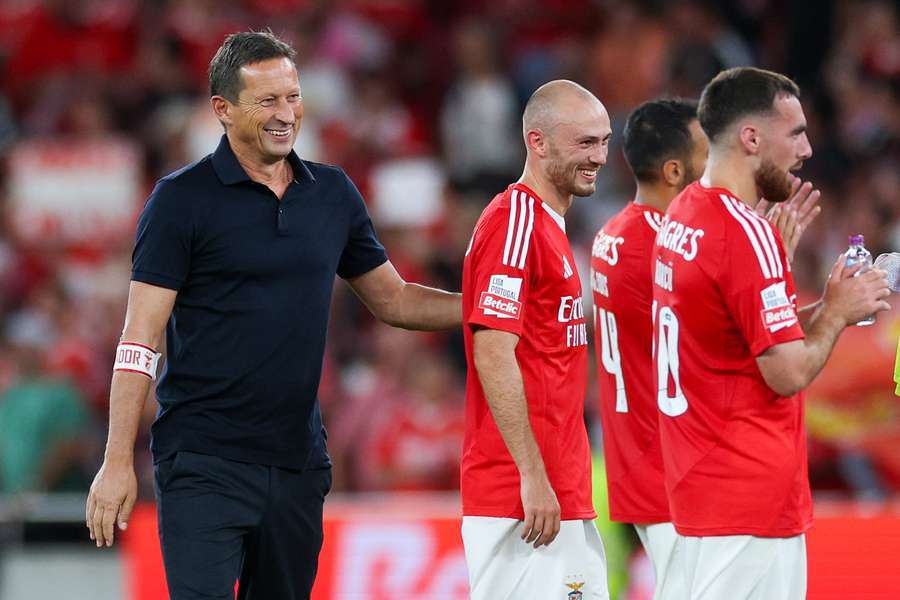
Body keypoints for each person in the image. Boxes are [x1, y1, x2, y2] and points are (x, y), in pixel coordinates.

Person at [84, 31, 460, 600]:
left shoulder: (332, 194)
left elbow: (396, 301)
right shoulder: (180, 200)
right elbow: (140, 340)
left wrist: (491, 308)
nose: (287, 114)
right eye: (268, 101)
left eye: (293, 96)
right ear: (223, 110)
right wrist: (116, 463)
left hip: (296, 465)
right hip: (203, 462)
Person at [651, 66, 891, 600]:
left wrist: (825, 301)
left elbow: (735, 337)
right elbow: (785, 373)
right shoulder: (744, 234)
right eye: (797, 133)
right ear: (752, 138)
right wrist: (835, 317)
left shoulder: (684, 213)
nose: (806, 150)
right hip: (749, 501)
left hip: (700, 491)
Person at [590, 99, 820, 599]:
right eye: (705, 153)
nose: (715, 164)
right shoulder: (664, 243)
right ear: (675, 170)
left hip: (641, 461)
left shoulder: (615, 234)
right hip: (676, 469)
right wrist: (767, 267)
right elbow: (724, 341)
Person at [460, 80, 611, 599]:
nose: (599, 157)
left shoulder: (549, 226)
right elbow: (492, 348)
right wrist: (531, 475)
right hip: (522, 499)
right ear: (537, 141)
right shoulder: (515, 223)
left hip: (555, 492)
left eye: (604, 141)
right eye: (584, 143)